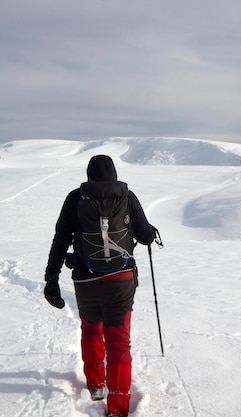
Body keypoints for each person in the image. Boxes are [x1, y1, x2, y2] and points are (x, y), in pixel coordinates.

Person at [44, 155, 156, 417]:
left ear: (89, 174)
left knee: (91, 331)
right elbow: (145, 236)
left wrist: (51, 281)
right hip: (121, 282)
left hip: (87, 282)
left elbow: (60, 240)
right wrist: (150, 230)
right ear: (114, 174)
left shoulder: (76, 198)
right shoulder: (127, 196)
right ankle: (118, 409)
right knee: (119, 345)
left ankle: (96, 385)